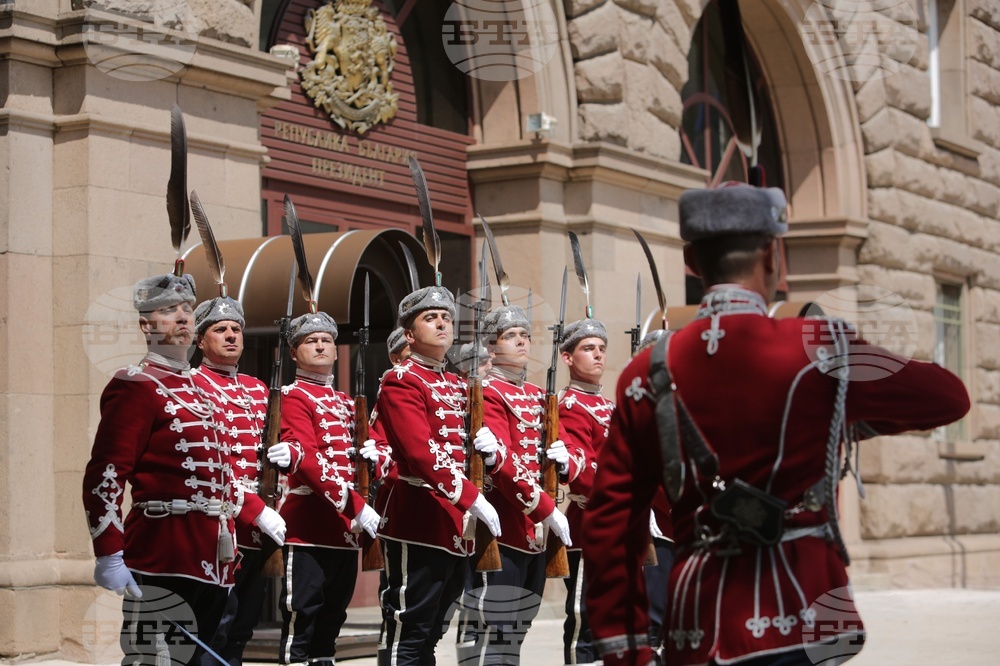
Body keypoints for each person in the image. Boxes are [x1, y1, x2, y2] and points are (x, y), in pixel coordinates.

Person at [583, 184, 971, 666]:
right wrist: (838, 410)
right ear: (772, 255)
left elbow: (612, 522)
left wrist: (627, 652)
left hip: (697, 629)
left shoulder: (646, 371)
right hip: (804, 617)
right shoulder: (817, 348)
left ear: (691, 261)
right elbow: (948, 398)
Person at [82, 273, 270, 666]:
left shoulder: (204, 390)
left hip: (215, 557)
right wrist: (109, 553)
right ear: (146, 325)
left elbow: (222, 476)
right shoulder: (135, 384)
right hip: (162, 554)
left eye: (187, 309)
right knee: (155, 660)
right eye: (169, 311)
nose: (183, 317)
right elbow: (106, 474)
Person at [374, 286, 502, 665]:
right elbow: (420, 452)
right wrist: (472, 498)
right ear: (410, 334)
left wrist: (490, 451)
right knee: (408, 630)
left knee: (432, 633)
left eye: (446, 317)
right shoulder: (401, 379)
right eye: (430, 318)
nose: (442, 323)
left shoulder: (458, 384)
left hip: (454, 524)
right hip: (418, 518)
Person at [266, 311, 381, 666]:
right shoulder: (293, 397)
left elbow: (376, 457)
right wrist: (356, 505)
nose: (320, 346)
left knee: (331, 626)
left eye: (326, 340)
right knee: (302, 622)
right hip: (309, 531)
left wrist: (376, 458)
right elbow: (309, 463)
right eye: (310, 341)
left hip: (345, 533)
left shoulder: (348, 403)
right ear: (293, 352)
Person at [464, 303, 573, 665]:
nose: (522, 342)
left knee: (519, 628)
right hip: (504, 527)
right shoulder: (488, 392)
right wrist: (546, 509)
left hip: (536, 532)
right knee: (495, 631)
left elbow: (555, 450)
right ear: (492, 349)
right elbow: (503, 464)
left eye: (525, 335)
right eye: (511, 336)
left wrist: (563, 459)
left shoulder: (538, 395)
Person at [191, 296, 287, 666]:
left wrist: (289, 452)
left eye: (236, 329)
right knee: (214, 628)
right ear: (201, 340)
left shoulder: (258, 388)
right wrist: (254, 509)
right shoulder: (193, 385)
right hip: (219, 527)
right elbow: (207, 464)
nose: (231, 335)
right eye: (220, 329)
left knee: (242, 629)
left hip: (259, 529)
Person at [556, 318, 613, 665]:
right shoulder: (571, 406)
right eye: (588, 348)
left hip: (621, 524)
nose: (598, 355)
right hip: (590, 524)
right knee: (586, 622)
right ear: (568, 357)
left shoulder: (610, 406)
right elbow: (584, 470)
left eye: (602, 348)